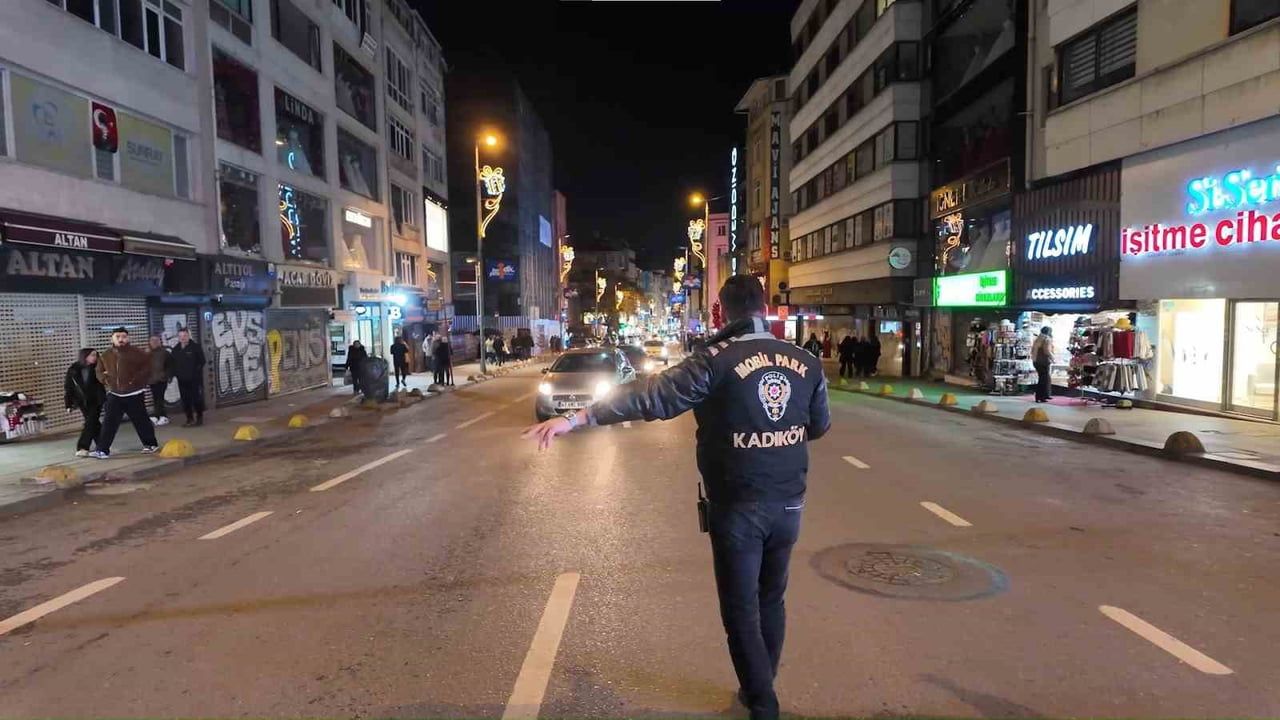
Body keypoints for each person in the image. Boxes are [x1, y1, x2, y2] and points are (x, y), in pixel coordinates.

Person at [523, 275, 831, 720]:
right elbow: (818, 426)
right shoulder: (806, 360)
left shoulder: (715, 360)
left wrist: (577, 419)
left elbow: (654, 397)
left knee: (742, 607)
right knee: (772, 598)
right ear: (764, 306)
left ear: (721, 312)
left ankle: (762, 701)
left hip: (737, 504)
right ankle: (762, 683)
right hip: (789, 503)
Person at [91, 327, 159, 458]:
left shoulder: (137, 353)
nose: (121, 339)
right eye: (118, 336)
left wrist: (135, 380)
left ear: (128, 338)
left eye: (123, 336)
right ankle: (102, 449)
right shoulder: (106, 355)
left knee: (141, 420)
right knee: (109, 422)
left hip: (134, 393)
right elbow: (99, 371)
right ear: (112, 338)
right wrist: (105, 380)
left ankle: (150, 444)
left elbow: (147, 368)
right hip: (115, 393)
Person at [64, 348, 106, 457]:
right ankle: (103, 445)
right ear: (85, 356)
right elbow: (69, 387)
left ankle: (83, 446)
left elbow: (104, 381)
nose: (94, 357)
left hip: (96, 400)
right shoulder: (74, 369)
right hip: (82, 401)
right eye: (92, 355)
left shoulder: (98, 368)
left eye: (96, 355)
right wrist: (68, 403)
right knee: (93, 423)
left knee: (90, 422)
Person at [171, 328, 206, 427]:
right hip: (182, 380)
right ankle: (189, 419)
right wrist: (175, 374)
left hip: (194, 380)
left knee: (196, 399)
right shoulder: (176, 349)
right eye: (180, 336)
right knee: (185, 400)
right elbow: (173, 363)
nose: (182, 338)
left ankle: (199, 418)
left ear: (188, 336)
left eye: (184, 336)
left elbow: (202, 361)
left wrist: (195, 373)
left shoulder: (195, 347)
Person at [147, 334, 173, 426]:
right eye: (152, 341)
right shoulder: (148, 353)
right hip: (152, 381)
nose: (154, 343)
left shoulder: (165, 353)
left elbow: (170, 366)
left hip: (161, 380)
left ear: (159, 342)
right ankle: (160, 416)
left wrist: (167, 376)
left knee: (159, 398)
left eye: (156, 341)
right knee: (156, 398)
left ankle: (160, 416)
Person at [1032, 326, 1054, 403]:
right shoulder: (1046, 339)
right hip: (1043, 361)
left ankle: (1042, 395)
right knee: (1043, 379)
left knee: (1042, 378)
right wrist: (1053, 358)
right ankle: (1041, 397)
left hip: (1036, 361)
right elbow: (1047, 351)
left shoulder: (1038, 338)